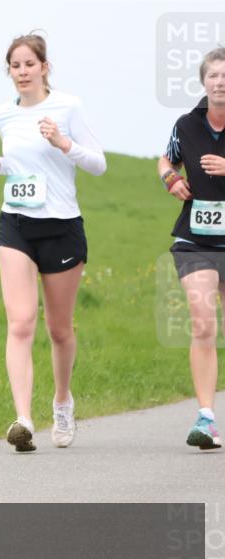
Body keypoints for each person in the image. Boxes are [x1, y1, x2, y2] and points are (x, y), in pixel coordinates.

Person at [0, 33, 106, 452]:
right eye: (14, 66)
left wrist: (63, 143)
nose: (21, 72)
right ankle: (23, 419)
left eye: (29, 64)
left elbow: (98, 164)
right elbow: (19, 166)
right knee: (19, 323)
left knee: (59, 329)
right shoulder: (4, 114)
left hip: (61, 226)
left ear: (44, 67)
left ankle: (62, 402)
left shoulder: (68, 107)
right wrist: (0, 166)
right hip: (16, 223)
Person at [157, 47, 225, 450]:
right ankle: (206, 417)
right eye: (214, 75)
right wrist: (170, 179)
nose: (220, 81)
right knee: (202, 320)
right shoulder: (186, 124)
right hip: (195, 239)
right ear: (203, 82)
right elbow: (167, 159)